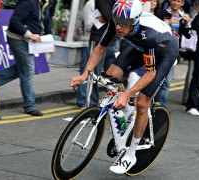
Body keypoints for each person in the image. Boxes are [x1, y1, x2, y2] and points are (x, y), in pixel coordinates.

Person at [70, 0, 178, 174]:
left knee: (142, 103)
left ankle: (131, 153)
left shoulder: (148, 34)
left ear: (134, 21)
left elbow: (149, 74)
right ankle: (125, 114)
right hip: (139, 46)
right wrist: (84, 74)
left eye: (124, 24)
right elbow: (100, 48)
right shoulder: (118, 23)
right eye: (116, 21)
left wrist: (127, 94)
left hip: (164, 50)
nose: (119, 27)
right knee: (111, 76)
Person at [0, 0, 55, 116]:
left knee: (22, 69)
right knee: (28, 70)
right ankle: (30, 106)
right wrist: (29, 34)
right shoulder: (28, 2)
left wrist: (51, 42)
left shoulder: (47, 3)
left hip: (30, 41)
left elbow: (47, 21)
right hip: (17, 38)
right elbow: (15, 21)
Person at [76, 0, 117, 108]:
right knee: (92, 73)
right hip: (98, 40)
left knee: (113, 76)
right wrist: (109, 18)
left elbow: (114, 17)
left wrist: (109, 18)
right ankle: (88, 106)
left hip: (111, 41)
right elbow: (111, 17)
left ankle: (110, 103)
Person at [155, 0, 191, 107]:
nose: (175, 3)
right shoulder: (162, 13)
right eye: (174, 0)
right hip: (159, 51)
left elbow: (188, 36)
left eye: (178, 1)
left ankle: (162, 107)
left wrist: (188, 24)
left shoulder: (183, 16)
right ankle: (152, 105)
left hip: (173, 52)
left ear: (182, 3)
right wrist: (168, 23)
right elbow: (155, 29)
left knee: (166, 83)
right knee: (155, 80)